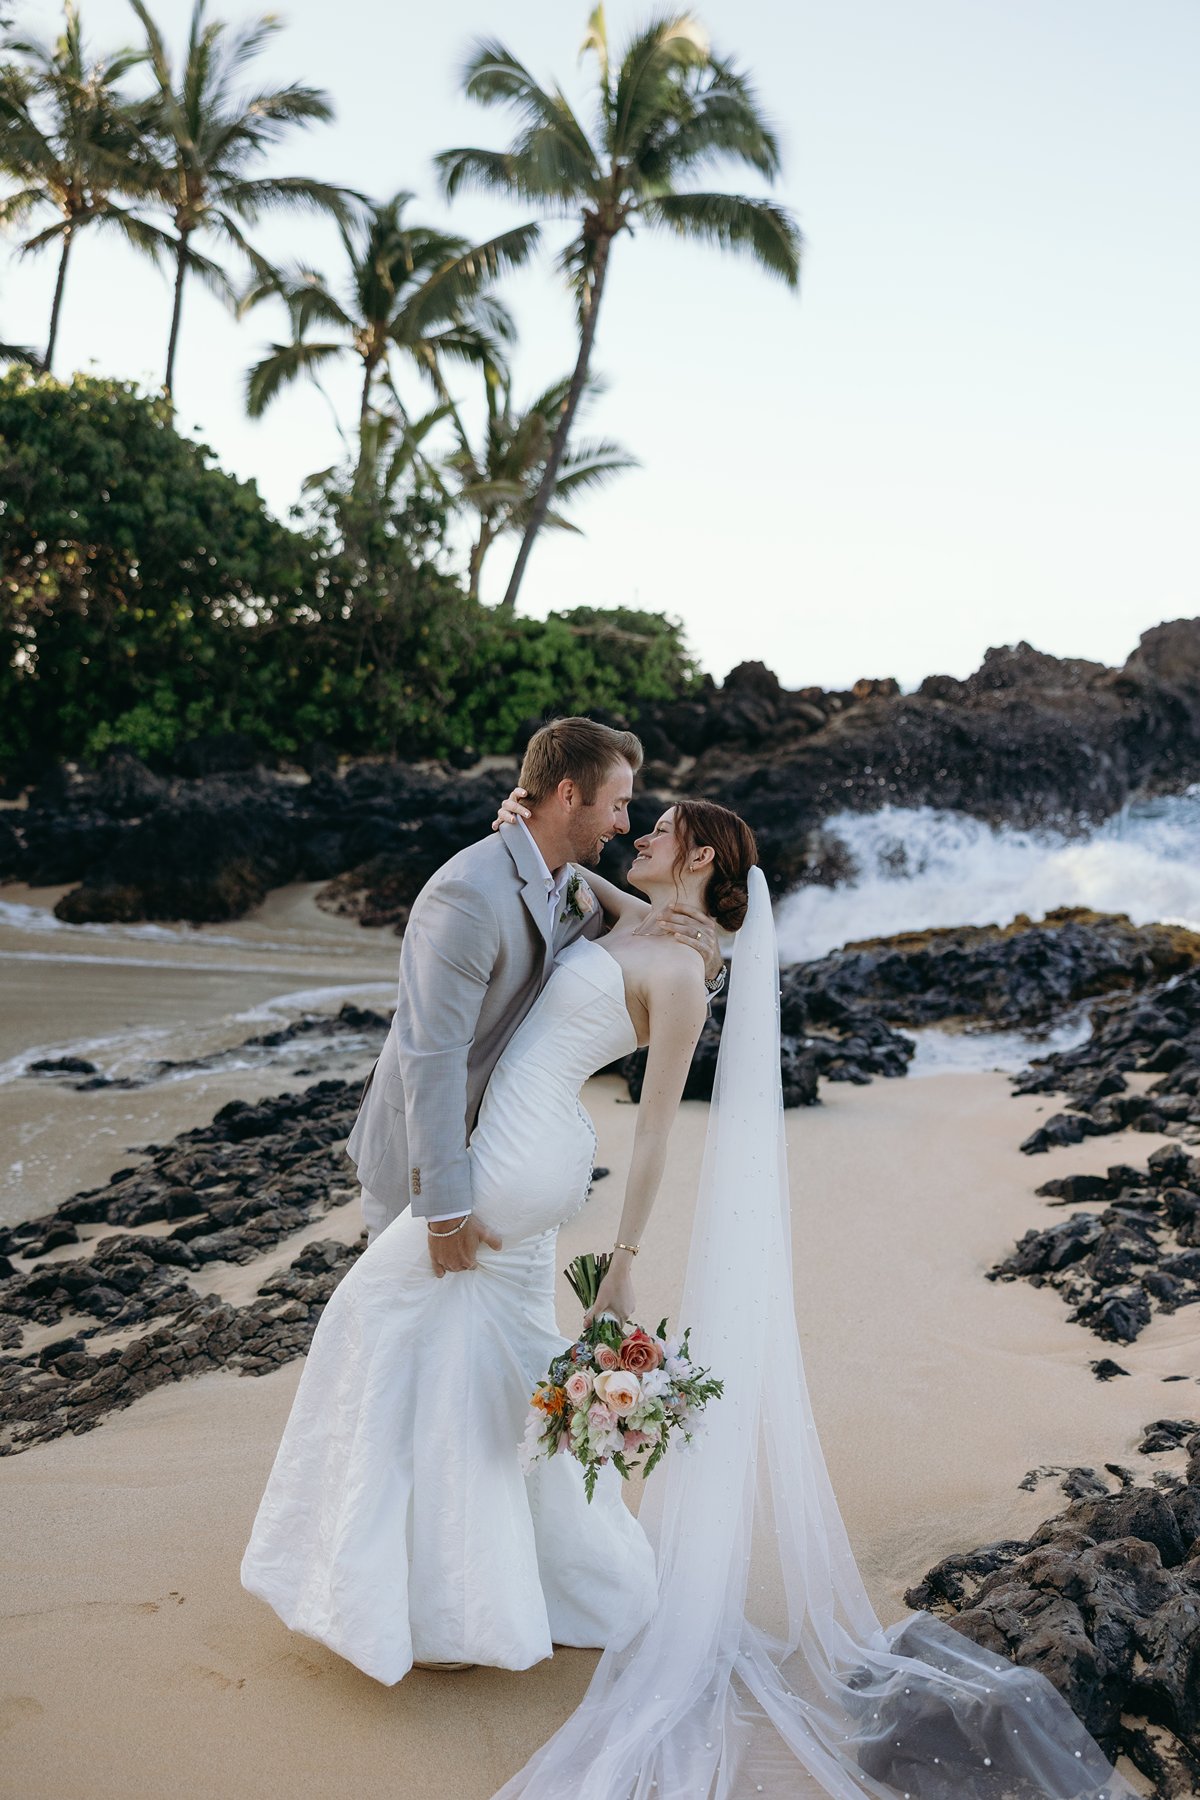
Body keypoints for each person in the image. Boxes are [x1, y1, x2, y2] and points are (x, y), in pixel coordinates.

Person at [239, 739, 743, 1680]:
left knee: (372, 1314)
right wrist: (516, 832)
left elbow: (660, 1131)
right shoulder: (639, 922)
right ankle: (544, 1582)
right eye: (628, 808)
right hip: (522, 1146)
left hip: (518, 1159)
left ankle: (434, 1601)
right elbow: (569, 888)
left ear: (703, 859)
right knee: (489, 1363)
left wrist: (626, 1259)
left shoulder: (681, 971)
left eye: (659, 825)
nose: (636, 827)